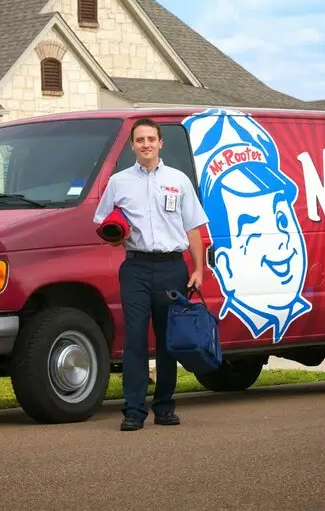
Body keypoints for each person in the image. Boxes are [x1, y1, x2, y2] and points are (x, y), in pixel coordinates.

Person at [93, 117, 209, 431]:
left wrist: (198, 269)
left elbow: (194, 228)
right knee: (134, 340)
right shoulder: (118, 182)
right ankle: (133, 411)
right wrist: (115, 235)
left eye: (151, 139)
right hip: (136, 269)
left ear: (161, 143)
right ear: (132, 145)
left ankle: (165, 406)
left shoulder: (178, 180)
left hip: (173, 267)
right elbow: (103, 222)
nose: (146, 144)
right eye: (140, 139)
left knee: (169, 339)